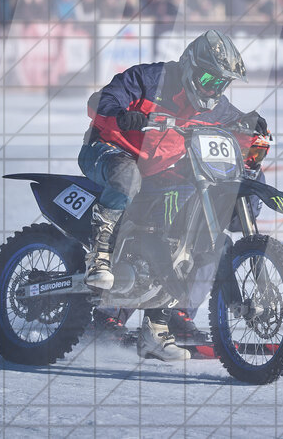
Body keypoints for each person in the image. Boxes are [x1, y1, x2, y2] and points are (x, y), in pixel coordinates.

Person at [79, 30, 267, 361]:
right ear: (192, 66)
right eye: (209, 78)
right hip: (108, 151)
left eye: (221, 83)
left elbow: (234, 121)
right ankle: (101, 253)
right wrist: (124, 115)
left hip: (158, 171)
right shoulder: (151, 78)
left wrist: (252, 127)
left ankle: (159, 323)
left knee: (187, 234)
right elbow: (101, 100)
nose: (213, 88)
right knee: (128, 176)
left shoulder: (214, 104)